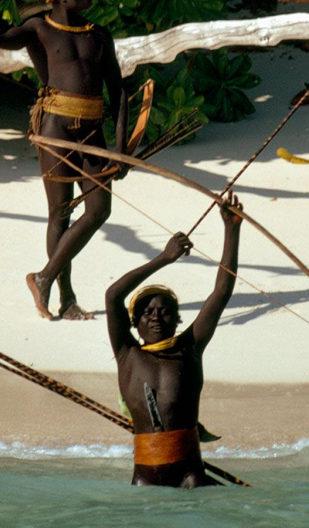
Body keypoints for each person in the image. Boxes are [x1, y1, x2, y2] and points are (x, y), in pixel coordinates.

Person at [0, 0, 129, 319]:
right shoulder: (39, 29)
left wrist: (122, 149)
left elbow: (119, 92)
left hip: (93, 130)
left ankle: (44, 278)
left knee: (98, 210)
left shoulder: (99, 36)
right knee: (59, 214)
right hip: (55, 130)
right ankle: (65, 297)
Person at [105, 193, 243, 487]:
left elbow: (221, 293)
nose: (155, 317)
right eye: (147, 312)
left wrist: (232, 229)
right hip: (143, 478)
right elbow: (113, 295)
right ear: (135, 324)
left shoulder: (189, 347)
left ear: (178, 320)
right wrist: (164, 258)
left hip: (191, 476)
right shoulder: (126, 353)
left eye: (164, 311)